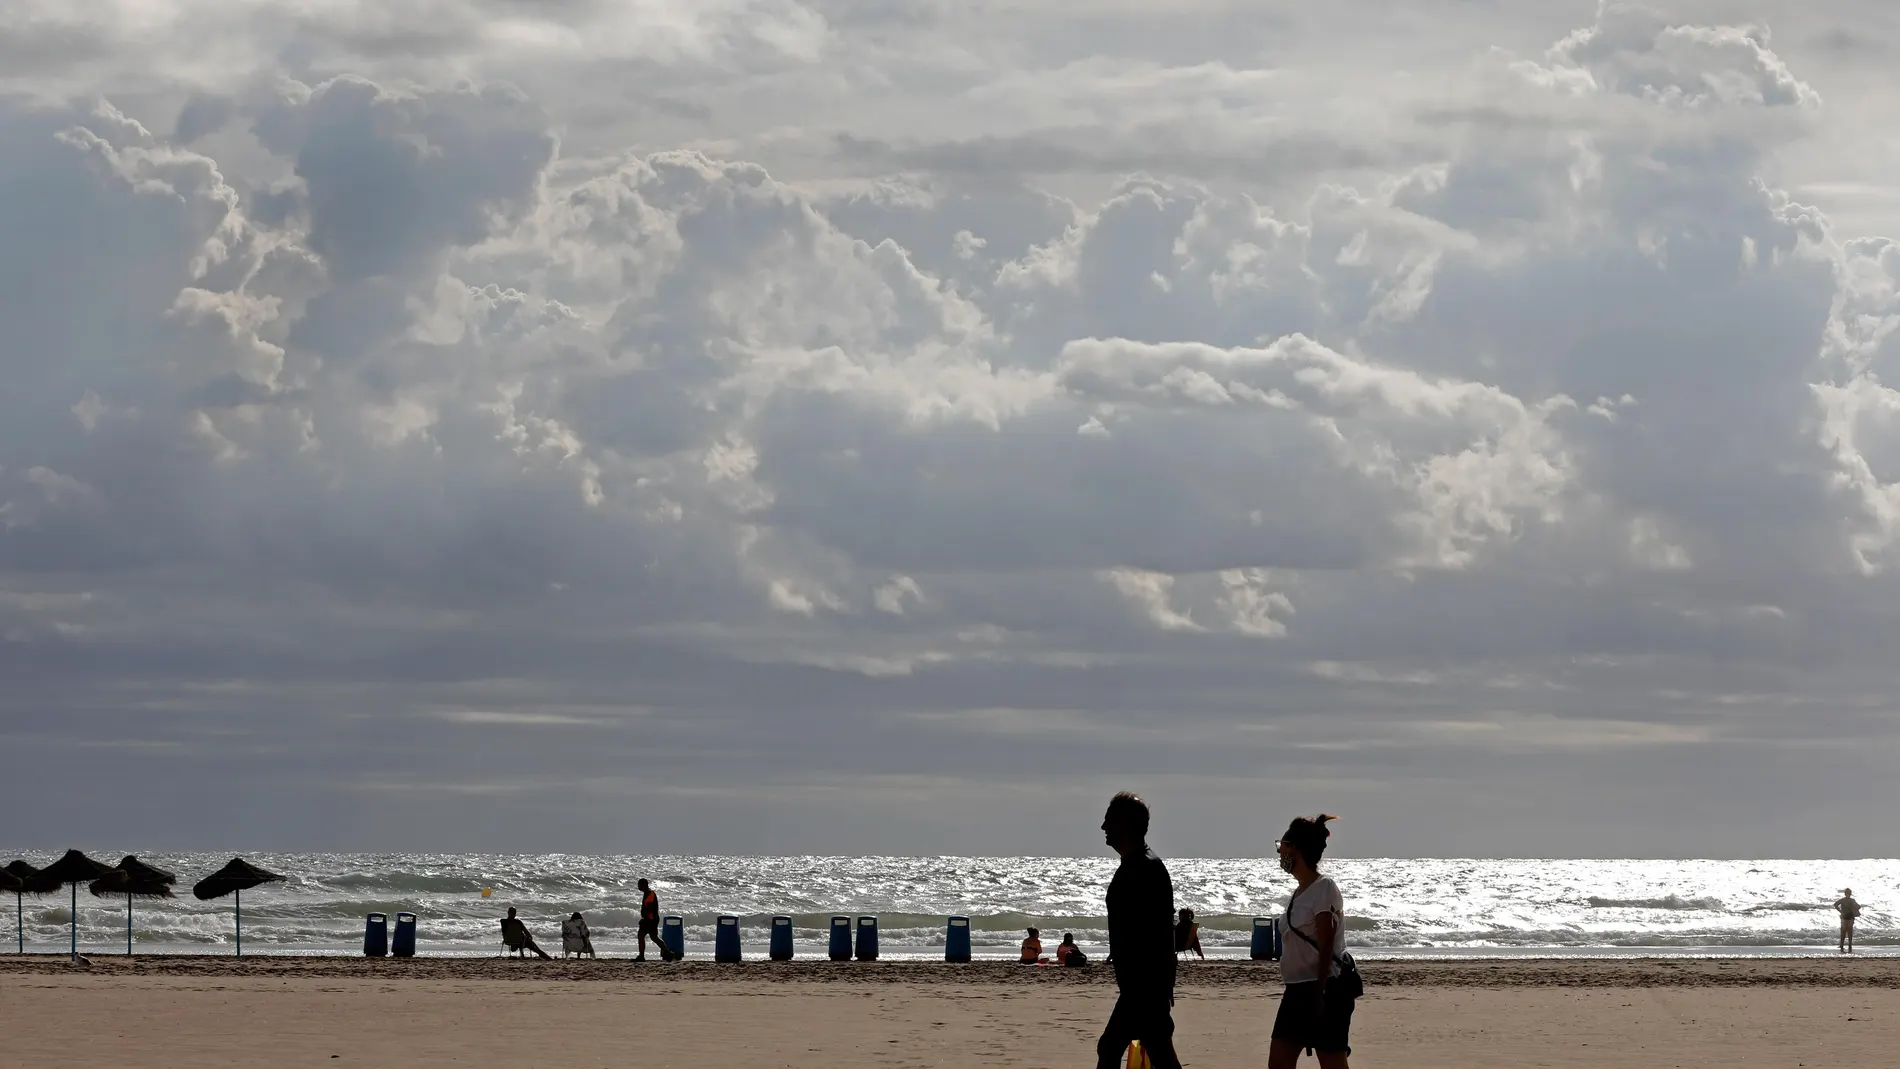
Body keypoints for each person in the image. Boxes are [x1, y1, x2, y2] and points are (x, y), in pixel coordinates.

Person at [1095, 791, 1184, 1069]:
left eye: (1109, 820)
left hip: (1144, 985)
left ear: (1125, 825)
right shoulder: (1134, 865)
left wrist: (1164, 984)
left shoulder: (1147, 868)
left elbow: (1162, 931)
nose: (1103, 827)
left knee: (1112, 1049)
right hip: (1138, 985)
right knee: (1155, 1053)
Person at [1270, 814, 1351, 1069]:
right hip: (1295, 989)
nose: (1279, 852)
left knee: (1332, 1063)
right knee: (1279, 1063)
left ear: (1296, 848)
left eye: (1281, 845)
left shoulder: (1323, 887)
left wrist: (1320, 991)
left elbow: (1326, 943)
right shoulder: (1299, 891)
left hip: (1323, 989)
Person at [636, 879, 670, 961]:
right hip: (649, 919)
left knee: (650, 937)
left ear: (644, 885)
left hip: (651, 919)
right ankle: (667, 952)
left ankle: (667, 952)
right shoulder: (646, 893)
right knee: (648, 936)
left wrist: (645, 919)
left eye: (639, 885)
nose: (638, 887)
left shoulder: (650, 894)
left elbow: (650, 908)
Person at [1836, 889, 1861, 953]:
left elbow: (1835, 905)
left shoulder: (1842, 900)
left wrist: (1840, 911)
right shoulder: (1852, 900)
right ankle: (1850, 945)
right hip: (1850, 918)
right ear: (1850, 894)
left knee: (1843, 932)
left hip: (1844, 917)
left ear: (1845, 893)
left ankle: (1841, 945)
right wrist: (1853, 908)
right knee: (1850, 932)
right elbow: (1859, 907)